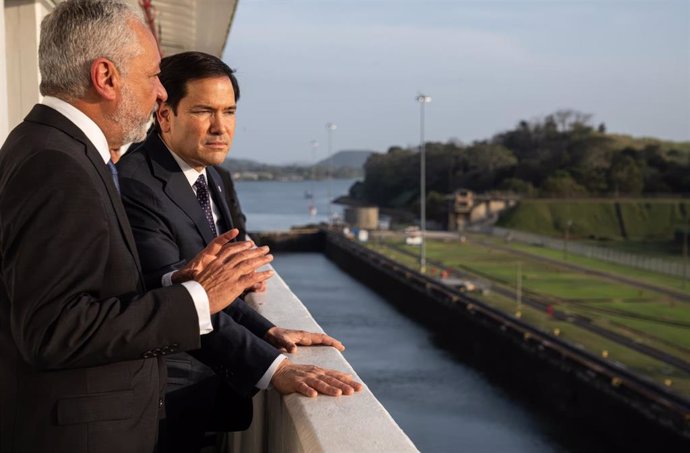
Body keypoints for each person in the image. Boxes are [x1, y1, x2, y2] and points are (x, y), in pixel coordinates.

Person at [0, 2, 274, 452]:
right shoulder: (57, 163)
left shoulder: (50, 146)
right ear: (106, 77)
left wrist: (178, 281)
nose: (161, 94)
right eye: (152, 77)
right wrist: (198, 298)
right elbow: (53, 331)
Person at [117, 51, 362, 453]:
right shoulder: (138, 182)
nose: (220, 128)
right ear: (164, 116)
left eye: (229, 112)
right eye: (203, 111)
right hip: (163, 404)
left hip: (208, 393)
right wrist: (273, 367)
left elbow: (217, 284)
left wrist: (267, 330)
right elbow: (181, 298)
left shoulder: (208, 174)